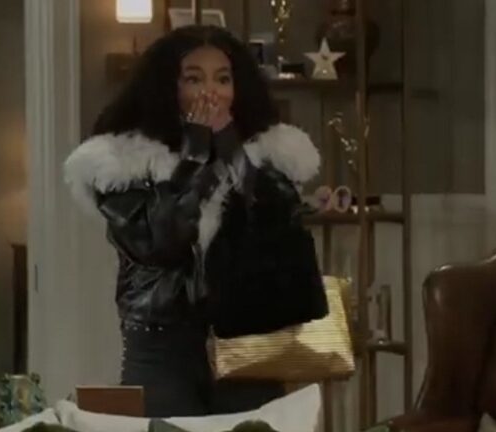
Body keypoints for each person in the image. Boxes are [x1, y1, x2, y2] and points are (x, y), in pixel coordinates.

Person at [64, 25, 327, 417]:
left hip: (248, 341)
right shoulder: (120, 162)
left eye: (223, 79)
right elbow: (161, 241)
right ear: (165, 87)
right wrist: (194, 157)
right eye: (194, 79)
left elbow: (276, 225)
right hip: (161, 347)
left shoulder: (270, 154)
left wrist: (231, 149)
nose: (211, 92)